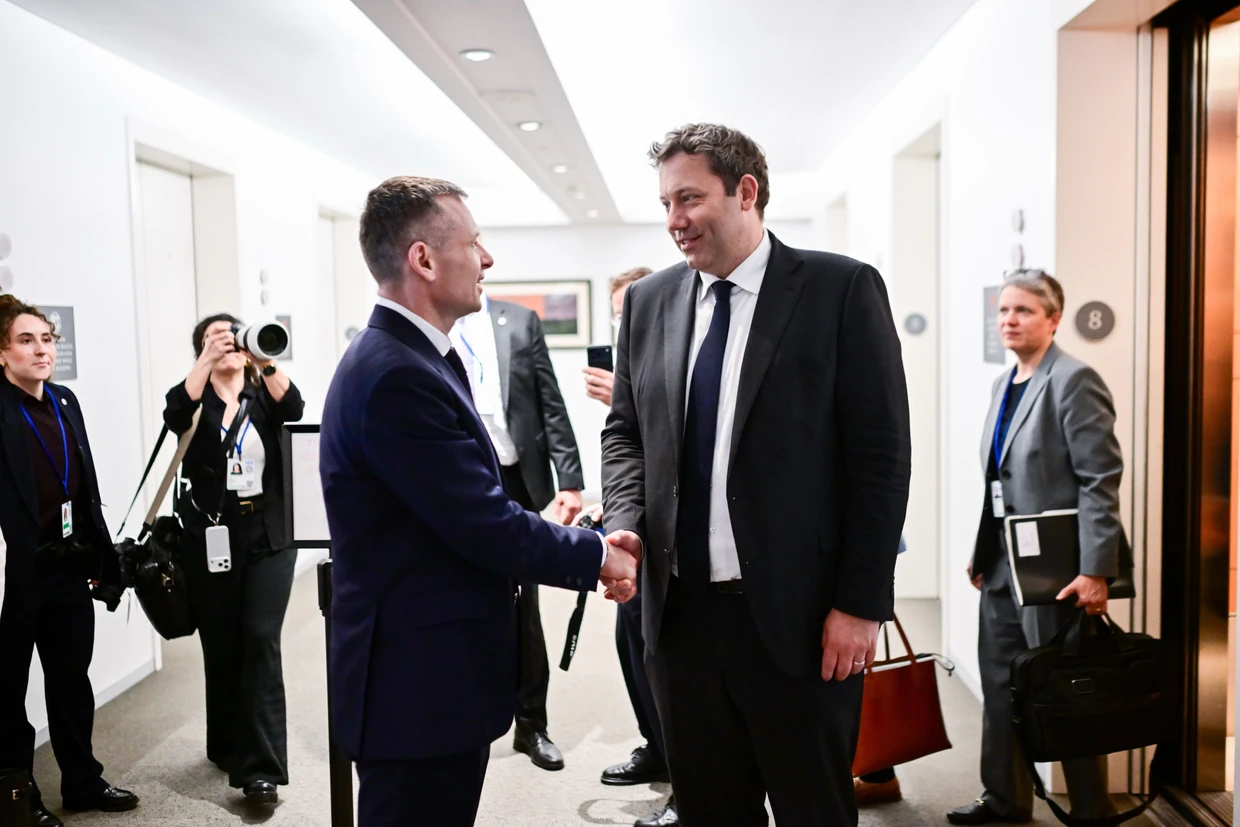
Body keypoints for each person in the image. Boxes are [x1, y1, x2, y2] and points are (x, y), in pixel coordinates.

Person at [601, 123, 911, 827]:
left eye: (689, 198)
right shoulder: (649, 303)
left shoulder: (841, 289)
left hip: (801, 622)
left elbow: (881, 456)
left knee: (813, 810)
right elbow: (625, 432)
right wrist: (623, 520)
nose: (675, 222)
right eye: (665, 204)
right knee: (710, 810)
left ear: (746, 191)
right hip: (680, 621)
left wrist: (862, 602)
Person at [320, 175, 640, 827]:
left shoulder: (419, 357)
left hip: (434, 671)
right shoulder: (396, 374)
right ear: (424, 259)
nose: (487, 259)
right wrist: (598, 553)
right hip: (412, 685)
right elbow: (484, 521)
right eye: (475, 242)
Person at [948, 270, 1129, 825]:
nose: (1009, 321)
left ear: (1053, 318)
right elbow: (997, 480)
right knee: (1002, 685)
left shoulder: (1074, 380)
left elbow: (1100, 478)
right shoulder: (1005, 384)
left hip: (1059, 575)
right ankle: (1004, 799)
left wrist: (1096, 571)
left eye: (1023, 311)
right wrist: (983, 551)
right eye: (1003, 311)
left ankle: (1092, 808)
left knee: (1063, 692)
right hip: (1003, 567)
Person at [0, 296, 138, 827]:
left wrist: (101, 558)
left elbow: (84, 486)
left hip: (68, 564)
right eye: (26, 340)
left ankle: (81, 782)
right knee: (9, 689)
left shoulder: (64, 401)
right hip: (16, 572)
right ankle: (17, 795)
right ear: (3, 352)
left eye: (47, 340)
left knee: (71, 680)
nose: (41, 350)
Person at [162, 314, 305, 805]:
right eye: (212, 338)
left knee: (261, 639)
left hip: (269, 533)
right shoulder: (192, 398)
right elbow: (174, 415)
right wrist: (206, 359)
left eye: (232, 335)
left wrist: (262, 358)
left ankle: (261, 770)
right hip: (210, 537)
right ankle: (225, 742)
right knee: (221, 642)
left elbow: (297, 406)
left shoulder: (262, 395)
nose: (226, 344)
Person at [450, 293, 586, 771]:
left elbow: (550, 400)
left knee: (524, 609)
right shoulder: (435, 322)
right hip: (459, 477)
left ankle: (532, 725)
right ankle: (468, 717)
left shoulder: (519, 321)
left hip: (516, 478)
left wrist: (570, 480)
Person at [586, 267, 679, 827]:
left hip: (679, 539)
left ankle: (685, 773)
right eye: (621, 312)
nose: (627, 320)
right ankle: (659, 747)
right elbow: (627, 442)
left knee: (669, 656)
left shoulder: (677, 348)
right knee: (634, 644)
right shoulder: (634, 359)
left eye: (633, 309)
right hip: (636, 527)